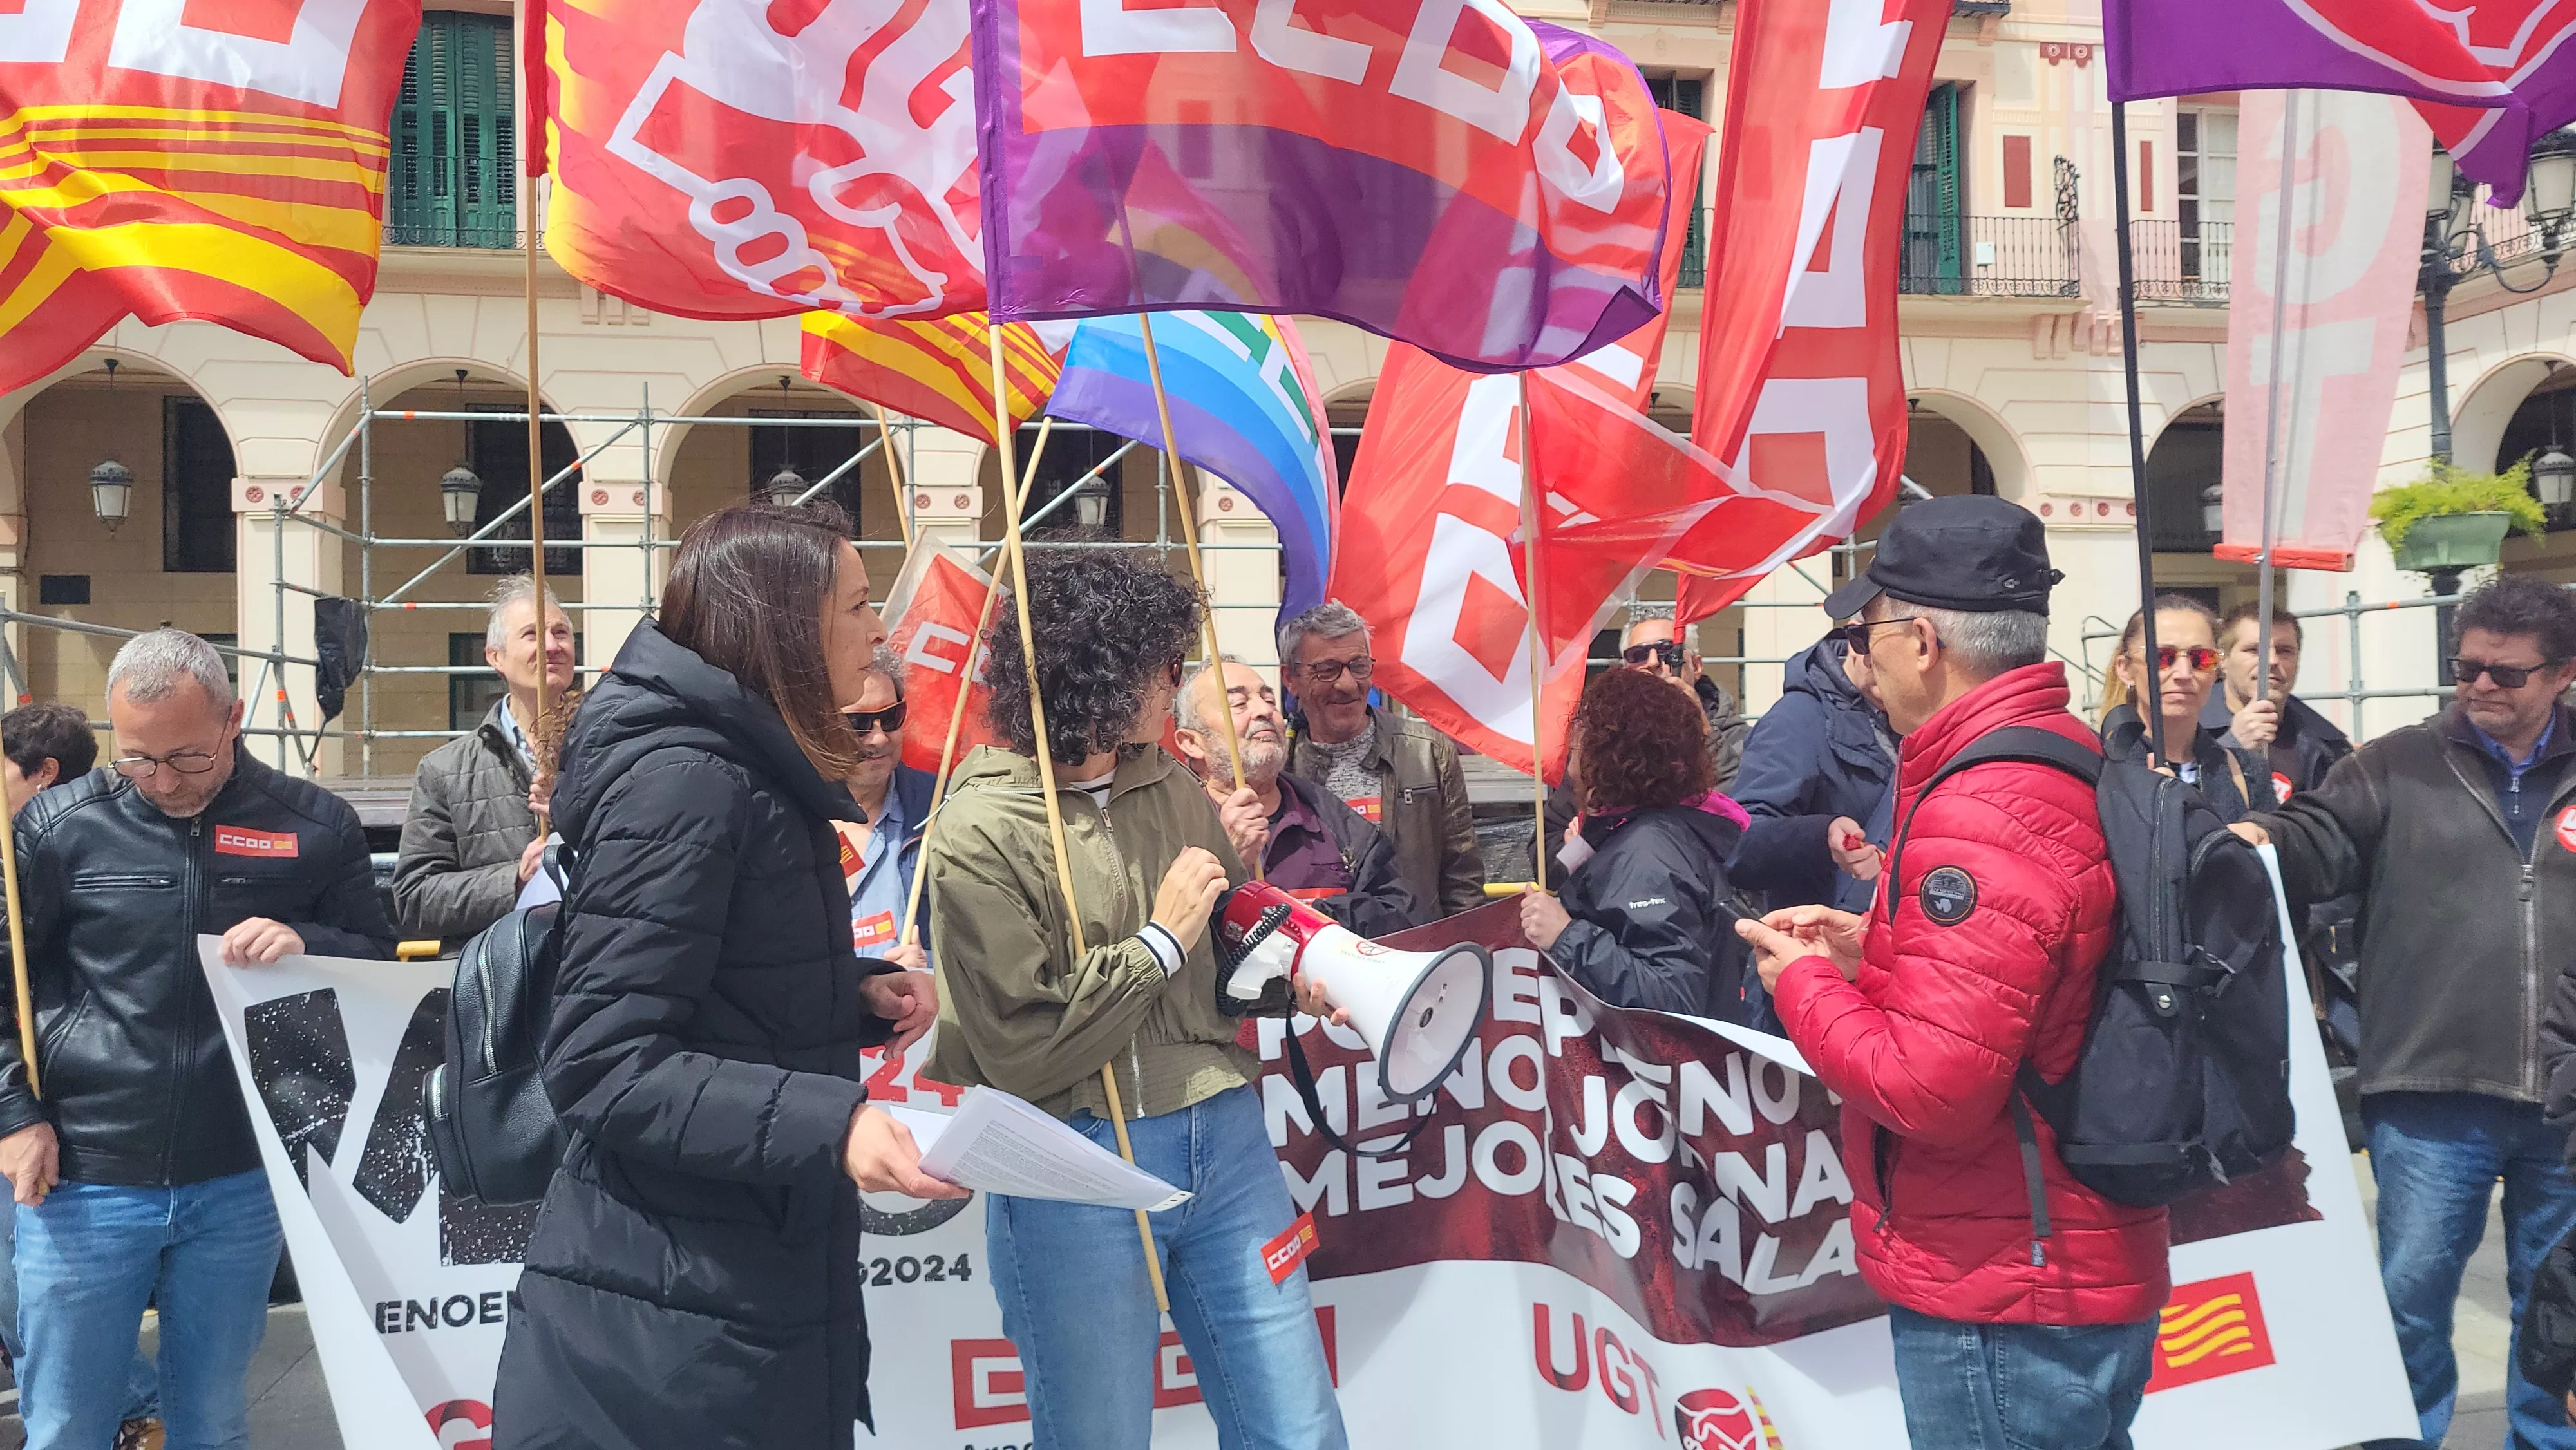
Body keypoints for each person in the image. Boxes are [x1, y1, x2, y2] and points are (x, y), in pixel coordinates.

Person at [493, 504, 949, 1450]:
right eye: (858, 604)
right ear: (782, 625)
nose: (879, 629)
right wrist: (835, 1122)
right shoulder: (690, 782)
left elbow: (709, 983)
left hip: (726, 1291)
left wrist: (851, 994)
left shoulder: (742, 764)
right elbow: (605, 1064)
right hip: (665, 1331)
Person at [1732, 497, 2168, 1450]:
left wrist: (1803, 981)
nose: (1862, 660)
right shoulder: (2060, 754)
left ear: (1923, 642)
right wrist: (1869, 948)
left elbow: (1931, 1089)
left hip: (2006, 1284)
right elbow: (2031, 987)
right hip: (2049, 1259)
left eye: (1866, 636)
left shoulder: (1983, 803)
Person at [926, 552, 1347, 1450]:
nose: (1178, 683)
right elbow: (1022, 1046)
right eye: (1165, 664)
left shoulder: (1170, 782)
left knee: (1300, 1428)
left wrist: (1300, 981)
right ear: (1102, 673)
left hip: (1224, 1137)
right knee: (1098, 1433)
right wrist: (1158, 943)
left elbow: (1224, 940)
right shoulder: (979, 826)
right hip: (1072, 1157)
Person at [0, 629, 393, 1450]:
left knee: (211, 1422)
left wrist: (308, 941)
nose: (163, 780)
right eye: (137, 758)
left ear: (233, 718)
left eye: (186, 755)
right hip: (83, 1171)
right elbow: (6, 982)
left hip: (239, 1174)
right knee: (66, 1426)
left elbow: (378, 958)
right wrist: (14, 1113)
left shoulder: (314, 823)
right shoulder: (59, 823)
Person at [2247, 574, 2576, 1450]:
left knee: (2560, 1310)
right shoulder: (2394, 763)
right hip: (2430, 1088)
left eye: (2507, 673)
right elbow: (2315, 838)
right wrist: (2261, 837)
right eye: (2465, 667)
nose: (2480, 685)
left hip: (2568, 1099)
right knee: (2410, 1302)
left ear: (2563, 675)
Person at [0, 703, 160, 1449]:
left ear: (43, 774)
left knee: (31, 1275)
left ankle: (131, 1408)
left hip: (47, 1101)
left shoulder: (73, 847)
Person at [1517, 668, 1751, 1019]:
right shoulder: (1633, 824)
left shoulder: (1649, 849)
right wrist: (1582, 848)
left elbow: (1674, 997)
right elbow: (1563, 872)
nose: (1573, 736)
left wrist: (1566, 935)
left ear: (1609, 748)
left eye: (1584, 724)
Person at [1172, 657, 1424, 937]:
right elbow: (1166, 941)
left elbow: (1400, 913)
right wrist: (1228, 862)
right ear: (1191, 743)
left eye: (1269, 700)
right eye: (1239, 704)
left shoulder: (1328, 816)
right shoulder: (1170, 829)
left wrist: (1311, 924)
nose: (1264, 711)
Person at [393, 576, 576, 943]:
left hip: (589, 961)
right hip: (495, 968)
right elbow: (414, 899)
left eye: (561, 633)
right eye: (532, 635)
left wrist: (576, 819)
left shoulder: (614, 750)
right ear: (496, 657)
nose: (552, 646)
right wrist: (515, 880)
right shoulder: (445, 770)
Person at [1278, 602, 1485, 918]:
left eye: (1358, 666)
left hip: (1416, 945)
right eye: (1327, 670)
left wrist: (1463, 945)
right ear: (1290, 679)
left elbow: (1462, 883)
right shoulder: (1279, 768)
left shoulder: (1427, 753)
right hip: (1315, 947)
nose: (1347, 684)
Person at [1725, 636, 1897, 915]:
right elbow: (1740, 843)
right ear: (1859, 643)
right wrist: (1822, 836)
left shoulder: (1908, 714)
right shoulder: (1794, 718)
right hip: (1821, 930)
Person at [2098, 595, 2271, 822]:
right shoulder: (2100, 768)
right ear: (2125, 669)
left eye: (2201, 659)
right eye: (2162, 657)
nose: (2184, 674)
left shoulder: (2248, 771)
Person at [838, 646, 935, 969]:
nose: (879, 738)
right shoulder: (780, 817)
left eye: (891, 717)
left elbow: (991, 949)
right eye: (858, 723)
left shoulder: (944, 807)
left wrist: (930, 968)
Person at [2204, 602, 2353, 800]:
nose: (2272, 661)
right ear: (2223, 659)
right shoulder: (2185, 727)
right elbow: (2177, 805)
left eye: (2285, 651)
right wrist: (2232, 746)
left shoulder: (2327, 746)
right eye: (2255, 650)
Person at [1615, 608, 1751, 790]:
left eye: (1668, 651)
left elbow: (1738, 800)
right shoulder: (1608, 738)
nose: (1653, 662)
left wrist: (1703, 732)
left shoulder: (1743, 741)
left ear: (1696, 666)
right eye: (1638, 654)